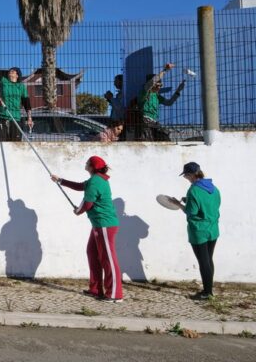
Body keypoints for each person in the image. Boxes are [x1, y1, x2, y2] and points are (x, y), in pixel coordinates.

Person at [51, 156, 123, 303]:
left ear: (92, 167)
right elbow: (80, 186)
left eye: (87, 163)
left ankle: (115, 294)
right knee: (92, 253)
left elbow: (88, 203)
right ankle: (96, 289)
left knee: (108, 258)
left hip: (105, 224)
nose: (85, 164)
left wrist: (78, 211)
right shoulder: (95, 180)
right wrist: (60, 180)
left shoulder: (96, 181)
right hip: (98, 224)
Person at [170, 162, 221, 300]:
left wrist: (178, 204)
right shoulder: (213, 188)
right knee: (209, 259)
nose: (185, 177)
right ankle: (209, 290)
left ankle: (207, 293)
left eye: (186, 175)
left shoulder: (193, 190)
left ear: (192, 175)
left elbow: (191, 212)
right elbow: (210, 204)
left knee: (203, 261)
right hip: (213, 229)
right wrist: (189, 200)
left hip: (199, 231)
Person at [138, 63, 185, 141]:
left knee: (165, 139)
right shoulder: (144, 93)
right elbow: (152, 82)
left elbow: (169, 102)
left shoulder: (157, 96)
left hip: (154, 122)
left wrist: (178, 90)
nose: (159, 87)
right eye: (158, 85)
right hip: (145, 122)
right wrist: (165, 70)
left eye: (161, 85)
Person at [0, 67, 33, 142]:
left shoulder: (21, 86)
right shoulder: (3, 81)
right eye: (9, 71)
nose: (10, 72)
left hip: (15, 117)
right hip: (3, 115)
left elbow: (26, 103)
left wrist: (29, 118)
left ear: (17, 75)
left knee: (15, 141)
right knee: (2, 141)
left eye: (13, 71)